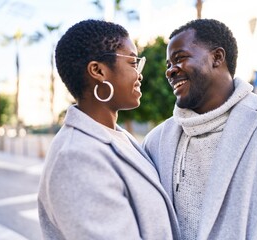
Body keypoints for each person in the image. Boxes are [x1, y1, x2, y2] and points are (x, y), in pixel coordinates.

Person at [142, 18, 257, 239]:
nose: (170, 71)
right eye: (168, 64)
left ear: (217, 58)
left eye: (179, 59)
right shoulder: (155, 142)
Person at [37, 19, 180, 240]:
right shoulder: (75, 158)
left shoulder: (117, 136)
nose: (139, 74)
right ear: (98, 70)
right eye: (133, 63)